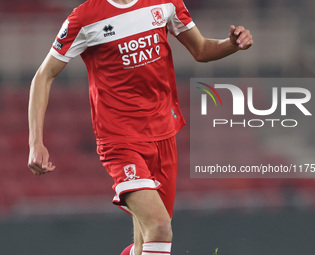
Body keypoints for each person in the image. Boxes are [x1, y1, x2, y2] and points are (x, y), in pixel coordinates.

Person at [27, 0, 253, 254]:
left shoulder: (166, 3)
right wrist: (35, 142)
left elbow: (200, 49)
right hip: (119, 140)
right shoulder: (85, 17)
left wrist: (231, 44)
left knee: (146, 243)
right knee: (159, 228)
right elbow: (43, 76)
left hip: (163, 134)